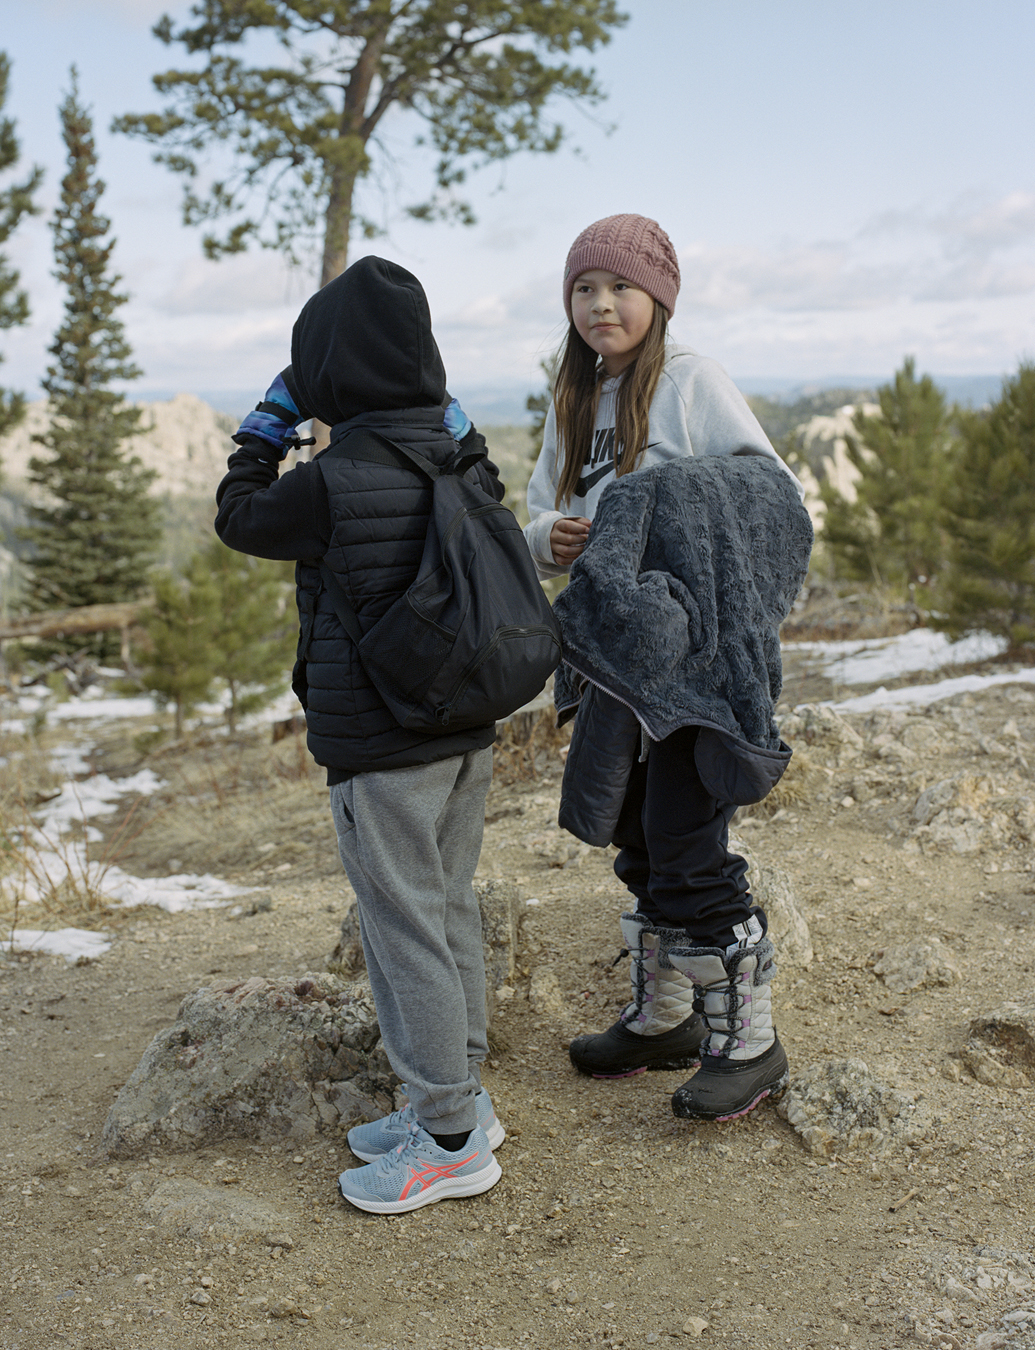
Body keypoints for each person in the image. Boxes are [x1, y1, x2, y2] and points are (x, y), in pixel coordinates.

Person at [215, 255, 506, 1213]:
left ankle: (451, 1139)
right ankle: (458, 1096)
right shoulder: (457, 452)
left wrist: (270, 420)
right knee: (447, 905)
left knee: (403, 926)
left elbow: (240, 518)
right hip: (466, 726)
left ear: (329, 364)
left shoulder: (332, 479)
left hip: (381, 745)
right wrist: (440, 403)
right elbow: (490, 482)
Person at [523, 214, 812, 1122]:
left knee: (690, 844)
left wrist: (654, 502)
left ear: (658, 298)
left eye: (620, 288)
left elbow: (771, 501)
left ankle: (750, 1043)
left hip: (697, 666)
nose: (601, 304)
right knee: (638, 839)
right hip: (616, 667)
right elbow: (546, 510)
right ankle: (666, 1018)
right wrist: (552, 535)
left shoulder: (692, 382)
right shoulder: (574, 401)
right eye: (583, 288)